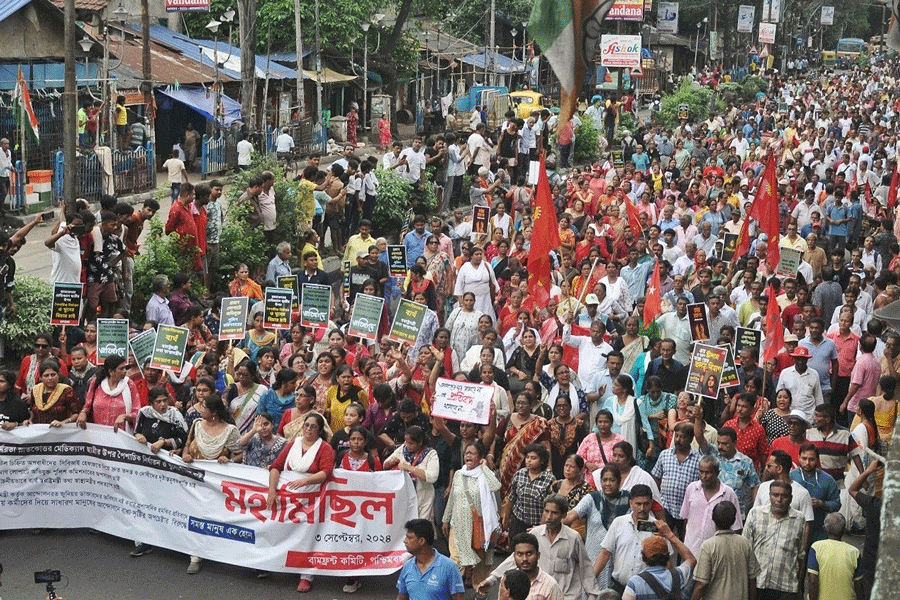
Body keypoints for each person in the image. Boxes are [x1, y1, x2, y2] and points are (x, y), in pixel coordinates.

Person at [267, 412, 334, 592]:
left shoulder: (325, 448)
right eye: (306, 425)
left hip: (311, 501)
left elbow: (326, 472)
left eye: (313, 427)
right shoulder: (293, 444)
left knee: (307, 536)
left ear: (320, 430)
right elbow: (276, 466)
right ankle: (276, 564)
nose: (309, 429)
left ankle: (306, 575)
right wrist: (272, 490)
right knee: (282, 531)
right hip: (287, 500)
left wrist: (304, 481)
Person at [486, 495, 600, 600]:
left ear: (563, 515)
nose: (549, 517)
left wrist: (592, 595)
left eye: (554, 513)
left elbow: (585, 568)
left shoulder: (573, 538)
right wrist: (491, 580)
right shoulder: (535, 534)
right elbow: (514, 559)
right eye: (546, 511)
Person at [442, 439, 501, 585]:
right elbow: (452, 499)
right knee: (455, 560)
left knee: (480, 562)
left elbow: (496, 486)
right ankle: (452, 590)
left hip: (477, 527)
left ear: (480, 457)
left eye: (472, 453)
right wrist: (445, 519)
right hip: (458, 525)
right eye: (466, 452)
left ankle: (479, 590)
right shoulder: (458, 474)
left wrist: (484, 467)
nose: (468, 455)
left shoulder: (484, 475)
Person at [565, 464, 631, 590]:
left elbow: (637, 521)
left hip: (618, 560)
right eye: (604, 480)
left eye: (612, 480)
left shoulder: (628, 500)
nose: (608, 484)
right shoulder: (592, 498)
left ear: (619, 482)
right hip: (593, 557)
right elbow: (571, 515)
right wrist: (547, 525)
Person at [592, 484, 666, 594]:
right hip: (619, 587)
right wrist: (591, 580)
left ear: (651, 503)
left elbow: (666, 561)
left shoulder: (658, 527)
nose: (642, 508)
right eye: (638, 504)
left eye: (646, 504)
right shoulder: (619, 523)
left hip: (645, 590)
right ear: (631, 503)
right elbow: (605, 553)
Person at [742, 480, 806, 600]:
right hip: (758, 584)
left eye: (784, 496)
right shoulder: (755, 514)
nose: (779, 499)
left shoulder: (799, 519)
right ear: (769, 496)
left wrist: (798, 585)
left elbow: (800, 555)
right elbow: (745, 549)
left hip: (786, 587)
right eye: (775, 495)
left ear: (791, 498)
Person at [691, 501, 761, 600]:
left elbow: (701, 584)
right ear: (734, 520)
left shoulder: (708, 546)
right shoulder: (745, 543)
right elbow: (752, 581)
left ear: (713, 519)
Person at [681, 455, 743, 555]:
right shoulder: (691, 489)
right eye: (701, 472)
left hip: (716, 553)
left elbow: (736, 528)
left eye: (708, 472)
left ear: (717, 473)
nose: (704, 476)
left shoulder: (728, 493)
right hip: (691, 551)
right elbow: (686, 519)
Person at [622, 519, 696, 600]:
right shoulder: (678, 575)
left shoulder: (635, 583)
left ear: (643, 557)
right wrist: (670, 535)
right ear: (667, 556)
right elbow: (691, 559)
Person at [475, 532, 563, 600]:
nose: (524, 559)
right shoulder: (506, 580)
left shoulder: (550, 586)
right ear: (514, 557)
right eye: (520, 554)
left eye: (529, 554)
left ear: (538, 555)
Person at [652, 421, 700, 538]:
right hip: (666, 507)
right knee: (661, 538)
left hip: (687, 510)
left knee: (685, 541)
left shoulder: (698, 459)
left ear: (690, 439)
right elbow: (656, 478)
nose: (678, 439)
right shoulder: (665, 455)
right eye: (676, 436)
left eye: (683, 437)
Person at [398, 518, 465, 600]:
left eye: (409, 538)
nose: (405, 541)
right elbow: (401, 597)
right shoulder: (407, 566)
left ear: (421, 541)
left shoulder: (449, 567)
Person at [384, 425, 440, 521]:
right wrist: (391, 462)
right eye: (406, 442)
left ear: (420, 442)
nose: (407, 445)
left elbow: (432, 477)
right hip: (404, 497)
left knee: (421, 526)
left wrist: (409, 468)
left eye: (411, 443)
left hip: (423, 498)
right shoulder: (403, 449)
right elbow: (384, 465)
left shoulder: (431, 454)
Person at [503, 443, 556, 540]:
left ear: (542, 461)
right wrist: (506, 520)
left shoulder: (549, 479)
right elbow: (512, 498)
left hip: (537, 524)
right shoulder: (520, 474)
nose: (529, 460)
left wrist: (541, 526)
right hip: (518, 522)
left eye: (533, 458)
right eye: (527, 457)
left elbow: (549, 506)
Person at [790, 443, 840, 544]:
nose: (807, 463)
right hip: (793, 529)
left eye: (811, 459)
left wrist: (822, 504)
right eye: (804, 458)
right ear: (798, 458)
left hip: (818, 531)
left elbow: (837, 504)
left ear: (817, 460)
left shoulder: (827, 480)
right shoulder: (790, 476)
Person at [806, 513, 864, 600]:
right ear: (844, 531)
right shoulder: (854, 552)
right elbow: (859, 586)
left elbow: (813, 581)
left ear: (824, 529)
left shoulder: (816, 547)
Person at [76, 356, 140, 433]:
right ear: (111, 372)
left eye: (125, 368)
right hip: (98, 434)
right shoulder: (96, 383)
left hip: (121, 436)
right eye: (121, 368)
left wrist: (125, 416)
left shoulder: (129, 385)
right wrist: (83, 413)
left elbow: (137, 411)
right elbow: (87, 405)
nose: (125, 371)